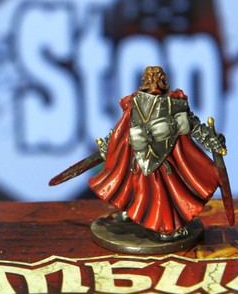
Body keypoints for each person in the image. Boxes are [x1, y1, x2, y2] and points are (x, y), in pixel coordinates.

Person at [89, 66, 226, 238]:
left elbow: (194, 126)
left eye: (157, 78)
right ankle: (135, 212)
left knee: (161, 192)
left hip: (165, 159)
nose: (154, 82)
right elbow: (121, 128)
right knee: (136, 186)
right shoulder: (134, 103)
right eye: (152, 78)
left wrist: (211, 139)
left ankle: (165, 227)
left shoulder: (174, 103)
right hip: (139, 157)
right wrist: (108, 145)